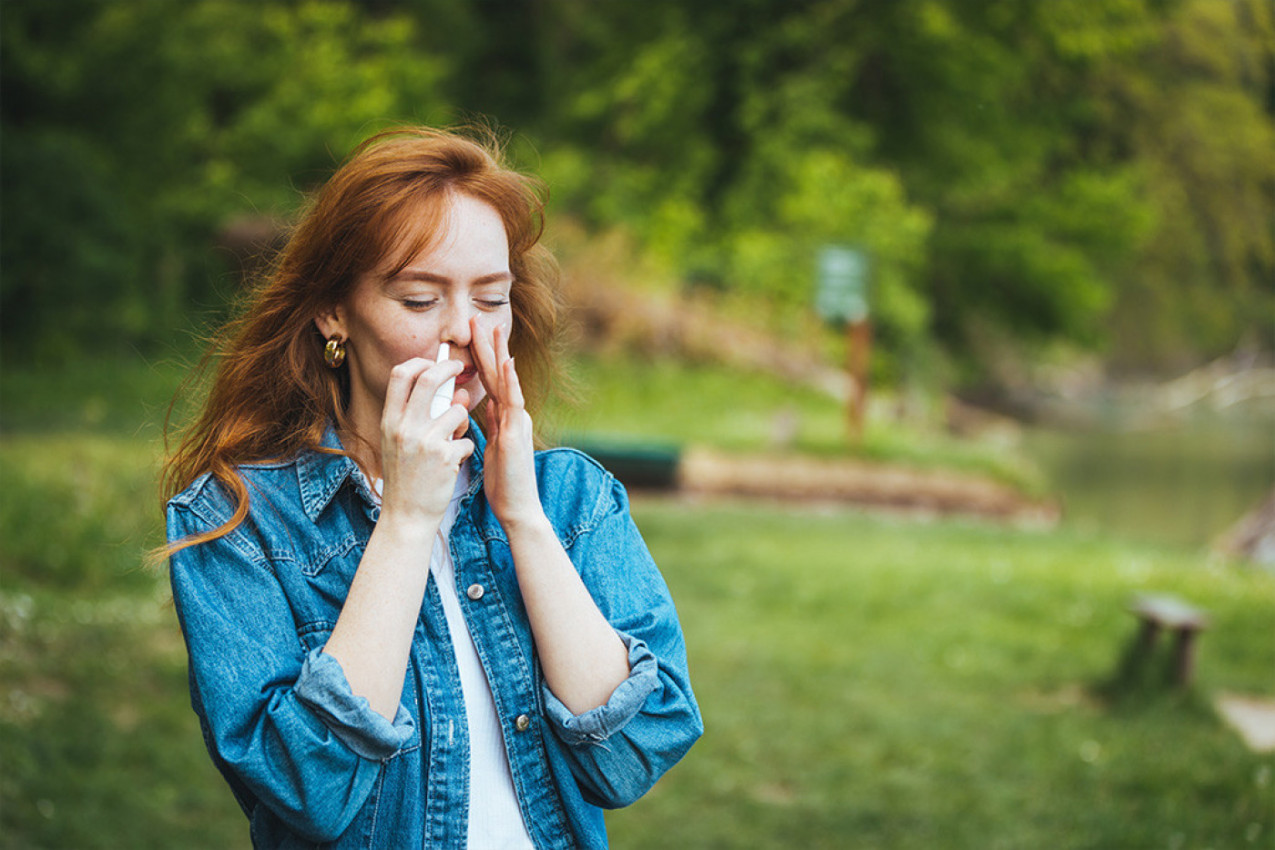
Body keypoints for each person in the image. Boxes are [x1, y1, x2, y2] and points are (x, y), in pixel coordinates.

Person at [162, 125, 702, 849]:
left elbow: (634, 753)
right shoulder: (240, 522)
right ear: (333, 313)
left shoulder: (572, 499)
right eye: (419, 300)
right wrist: (408, 520)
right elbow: (308, 790)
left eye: (491, 298)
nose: (463, 330)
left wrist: (524, 520)